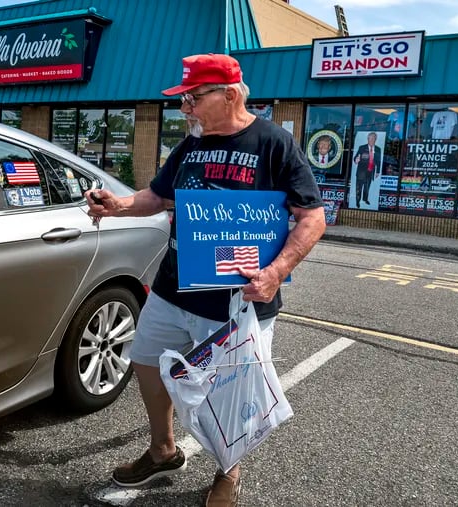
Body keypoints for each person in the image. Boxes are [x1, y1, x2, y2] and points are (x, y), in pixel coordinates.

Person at [85, 52, 326, 507]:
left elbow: (312, 216)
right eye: (184, 99)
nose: (186, 109)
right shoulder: (190, 146)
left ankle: (228, 472)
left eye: (194, 98)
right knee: (146, 360)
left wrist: (277, 272)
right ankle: (163, 450)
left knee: (229, 394)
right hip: (174, 286)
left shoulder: (273, 143)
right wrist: (115, 204)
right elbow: (156, 197)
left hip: (237, 300)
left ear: (230, 94)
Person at [352, 132, 381, 207]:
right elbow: (355, 157)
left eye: (373, 139)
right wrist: (356, 160)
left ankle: (365, 199)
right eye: (370, 138)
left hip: (370, 171)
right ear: (367, 139)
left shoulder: (378, 149)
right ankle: (357, 201)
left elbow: (378, 161)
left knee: (367, 187)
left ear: (375, 140)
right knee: (359, 188)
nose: (371, 140)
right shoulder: (362, 147)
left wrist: (377, 171)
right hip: (361, 172)